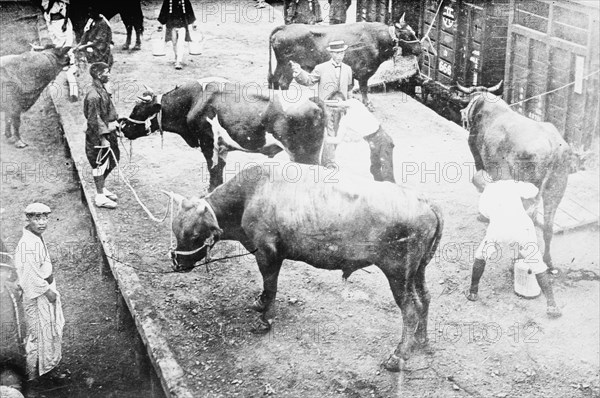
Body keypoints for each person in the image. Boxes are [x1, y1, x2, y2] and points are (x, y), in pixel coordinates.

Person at [466, 171, 562, 318]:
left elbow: (484, 216)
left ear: (479, 187)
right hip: (522, 228)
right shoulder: (509, 184)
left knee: (481, 256)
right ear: (490, 178)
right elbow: (534, 190)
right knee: (537, 264)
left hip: (498, 230)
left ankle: (473, 291)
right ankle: (551, 304)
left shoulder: (483, 198)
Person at [14, 203, 66, 382]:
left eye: (45, 218)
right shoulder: (28, 244)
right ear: (28, 219)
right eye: (37, 218)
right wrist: (47, 292)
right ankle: (31, 377)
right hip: (37, 294)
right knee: (38, 335)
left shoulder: (35, 237)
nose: (42, 222)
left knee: (49, 330)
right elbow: (30, 276)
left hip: (44, 287)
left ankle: (48, 367)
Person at [83, 62, 120, 209]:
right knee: (99, 163)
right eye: (106, 72)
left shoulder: (102, 89)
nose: (109, 74)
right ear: (99, 75)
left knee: (113, 158)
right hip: (97, 136)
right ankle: (99, 196)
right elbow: (94, 119)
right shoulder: (93, 95)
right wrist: (103, 138)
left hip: (108, 131)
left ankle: (102, 187)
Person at [40, 0, 78, 101]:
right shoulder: (47, 6)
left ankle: (74, 93)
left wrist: (65, 22)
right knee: (56, 47)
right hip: (52, 22)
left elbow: (67, 7)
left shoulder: (61, 5)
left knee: (70, 70)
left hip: (61, 23)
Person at [158, 0, 197, 70]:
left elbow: (189, 10)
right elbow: (164, 10)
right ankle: (176, 56)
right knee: (174, 42)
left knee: (181, 42)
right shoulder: (168, 1)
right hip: (172, 24)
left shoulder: (185, 1)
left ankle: (179, 61)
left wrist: (193, 23)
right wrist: (161, 24)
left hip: (182, 23)